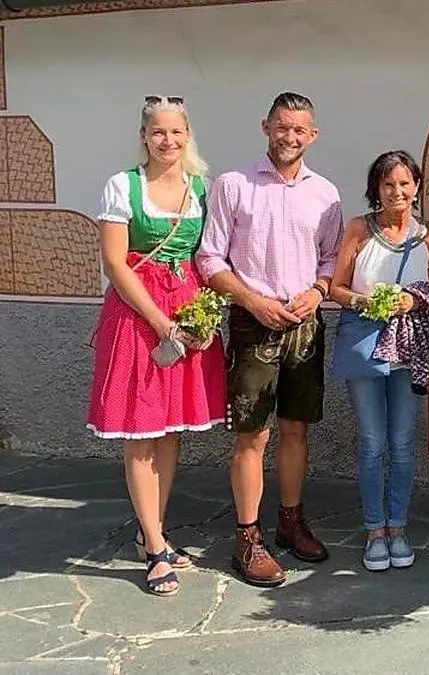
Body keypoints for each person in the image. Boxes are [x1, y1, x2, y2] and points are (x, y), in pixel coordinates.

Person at [197, 92, 344, 588]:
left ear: (314, 135)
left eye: (300, 130)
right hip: (252, 321)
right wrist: (250, 299)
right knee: (252, 435)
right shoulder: (233, 184)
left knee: (297, 428)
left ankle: (291, 520)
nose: (290, 137)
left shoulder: (326, 193)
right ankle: (247, 537)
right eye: (282, 128)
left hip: (304, 323)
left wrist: (319, 290)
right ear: (266, 127)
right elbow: (210, 258)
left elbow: (330, 259)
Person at [88, 95, 225, 596]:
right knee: (142, 433)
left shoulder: (201, 189)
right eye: (157, 132)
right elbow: (117, 264)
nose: (167, 141)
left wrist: (202, 316)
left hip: (188, 312)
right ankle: (153, 541)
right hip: (137, 316)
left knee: (171, 431)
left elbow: (207, 257)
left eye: (176, 132)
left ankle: (155, 535)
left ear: (188, 135)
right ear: (144, 136)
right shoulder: (123, 186)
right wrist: (161, 323)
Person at [329, 150, 429, 572]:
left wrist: (412, 298)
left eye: (404, 183)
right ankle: (374, 529)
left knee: (401, 443)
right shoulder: (360, 229)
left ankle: (398, 526)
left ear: (417, 186)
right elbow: (336, 287)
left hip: (410, 347)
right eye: (388, 184)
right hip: (365, 341)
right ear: (375, 189)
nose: (397, 192)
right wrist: (365, 301)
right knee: (372, 441)